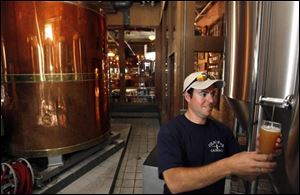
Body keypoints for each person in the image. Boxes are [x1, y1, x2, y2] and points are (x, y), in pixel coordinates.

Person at [157, 71, 282, 194]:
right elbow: (174, 183)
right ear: (187, 96)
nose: (211, 100)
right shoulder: (170, 131)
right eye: (204, 94)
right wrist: (227, 166)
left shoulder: (222, 131)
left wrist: (262, 155)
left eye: (213, 93)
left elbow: (248, 176)